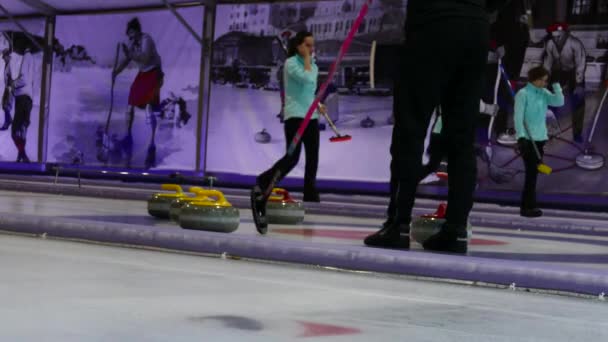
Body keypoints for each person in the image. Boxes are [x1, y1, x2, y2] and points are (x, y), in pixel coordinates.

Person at [365, 0, 510, 254]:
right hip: (474, 28)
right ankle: (455, 231)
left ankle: (398, 226)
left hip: (432, 25)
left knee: (410, 130)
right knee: (461, 138)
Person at [251, 31, 327, 233]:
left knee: (313, 157)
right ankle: (264, 181)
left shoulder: (312, 65)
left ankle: (310, 194)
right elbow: (305, 80)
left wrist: (317, 104)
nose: (312, 49)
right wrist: (308, 61)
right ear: (299, 46)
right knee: (292, 158)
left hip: (310, 117)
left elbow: (308, 91)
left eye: (313, 45)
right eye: (308, 45)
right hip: (295, 117)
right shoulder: (292, 64)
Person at [112, 17, 163, 169]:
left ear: (137, 31)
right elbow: (127, 59)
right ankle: (128, 136)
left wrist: (130, 53)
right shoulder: (132, 43)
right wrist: (116, 71)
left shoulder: (146, 39)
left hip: (154, 72)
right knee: (131, 100)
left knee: (149, 107)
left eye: (132, 34)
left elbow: (145, 58)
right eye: (129, 35)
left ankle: (152, 144)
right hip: (143, 73)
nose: (131, 38)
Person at [514, 66, 564, 218]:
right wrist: (521, 137)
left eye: (546, 80)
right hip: (527, 140)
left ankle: (530, 205)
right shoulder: (523, 94)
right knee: (532, 173)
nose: (544, 83)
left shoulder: (543, 93)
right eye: (542, 80)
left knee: (534, 172)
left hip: (540, 139)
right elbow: (518, 117)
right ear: (533, 78)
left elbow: (559, 102)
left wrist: (556, 85)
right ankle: (527, 207)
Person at [542, 22, 586, 143]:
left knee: (578, 100)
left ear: (566, 34)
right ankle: (551, 129)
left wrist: (578, 84)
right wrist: (543, 81)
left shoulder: (575, 43)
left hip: (575, 71)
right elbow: (547, 62)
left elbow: (580, 64)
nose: (556, 39)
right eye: (554, 37)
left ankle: (577, 133)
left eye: (559, 37)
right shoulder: (550, 44)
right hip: (559, 71)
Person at [11, 50, 34, 163]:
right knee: (22, 129)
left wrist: (13, 84)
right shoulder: (32, 59)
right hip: (28, 99)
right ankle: (22, 155)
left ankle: (22, 154)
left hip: (22, 98)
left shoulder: (26, 57)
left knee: (14, 130)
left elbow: (23, 79)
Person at [1, 49, 13, 131]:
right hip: (7, 87)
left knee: (6, 105)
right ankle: (9, 120)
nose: (3, 58)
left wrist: (9, 88)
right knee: (4, 104)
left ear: (8, 56)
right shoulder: (7, 63)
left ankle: (7, 123)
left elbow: (13, 76)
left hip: (10, 87)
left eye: (4, 57)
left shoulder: (11, 64)